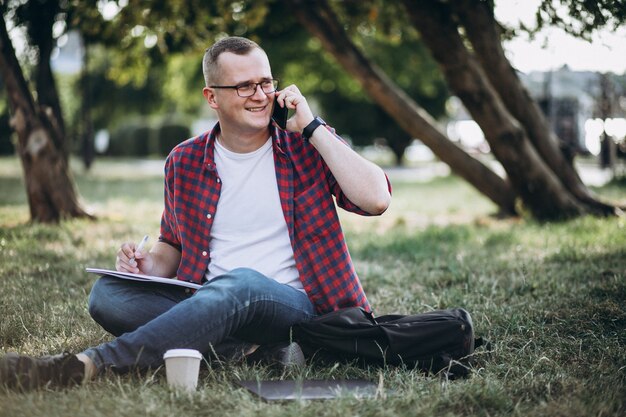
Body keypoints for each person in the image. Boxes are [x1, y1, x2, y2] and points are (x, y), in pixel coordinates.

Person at [0, 36, 391, 391]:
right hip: (210, 299)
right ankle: (249, 351)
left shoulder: (305, 145)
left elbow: (376, 199)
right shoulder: (184, 161)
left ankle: (88, 364)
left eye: (266, 83)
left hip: (297, 307)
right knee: (107, 294)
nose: (260, 95)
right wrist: (145, 265)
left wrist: (313, 127)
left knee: (242, 284)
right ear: (212, 97)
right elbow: (173, 245)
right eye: (244, 86)